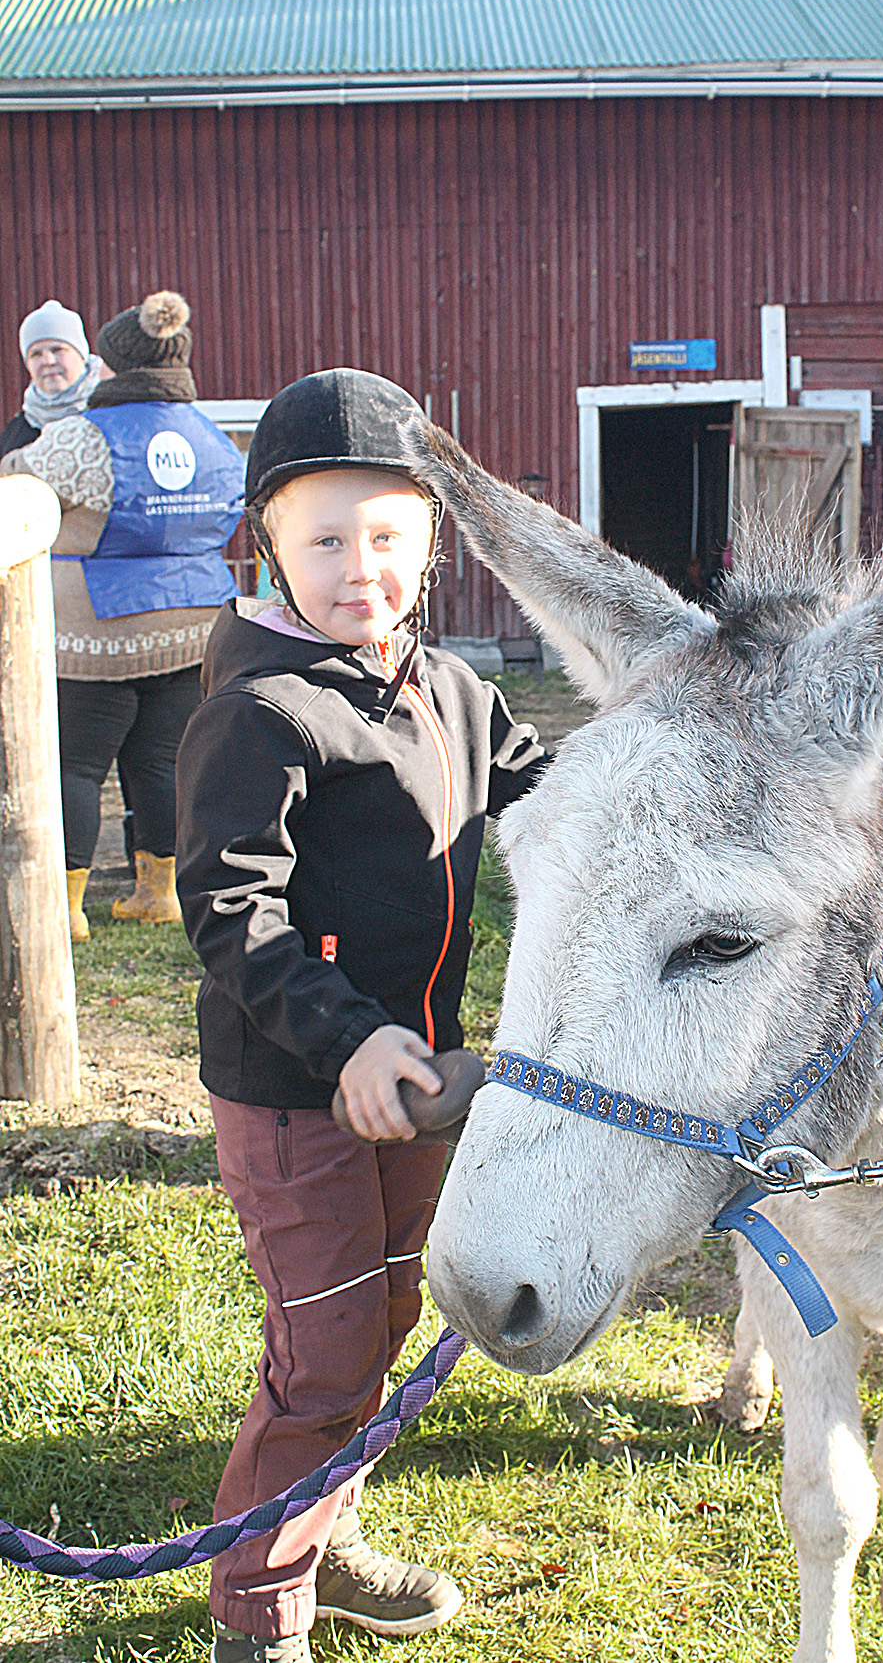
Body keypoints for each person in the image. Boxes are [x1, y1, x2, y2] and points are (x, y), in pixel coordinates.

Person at [174, 369, 546, 1663]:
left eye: (388, 537)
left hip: (420, 1084)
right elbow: (230, 911)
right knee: (325, 1351)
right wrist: (348, 1040)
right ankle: (257, 1615)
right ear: (267, 543)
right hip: (298, 1092)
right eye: (325, 538)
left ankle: (317, 1545)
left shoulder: (445, 686)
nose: (359, 568)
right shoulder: (263, 711)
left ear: (431, 544)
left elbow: (542, 792)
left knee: (382, 1323)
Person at [0, 290, 244, 940]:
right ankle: (157, 892)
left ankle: (65, 902)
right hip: (194, 624)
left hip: (97, 630)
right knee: (162, 763)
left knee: (75, 767)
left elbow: (15, 487)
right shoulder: (212, 438)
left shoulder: (84, 437)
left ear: (113, 366)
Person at [0, 298, 102, 458]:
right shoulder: (15, 436)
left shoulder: (110, 411)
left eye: (57, 350)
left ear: (81, 355)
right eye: (36, 354)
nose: (48, 361)